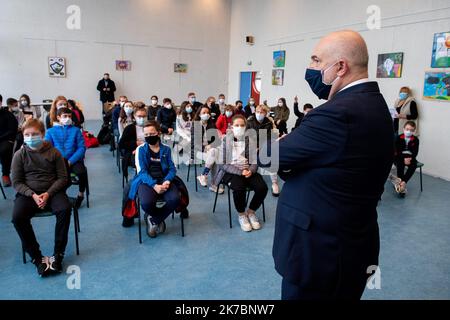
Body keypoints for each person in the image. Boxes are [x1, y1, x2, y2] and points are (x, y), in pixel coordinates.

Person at [270, 30, 394, 300]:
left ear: (340, 67)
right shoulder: (374, 104)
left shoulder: (336, 113)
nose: (311, 68)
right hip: (350, 244)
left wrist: (284, 145)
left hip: (320, 255)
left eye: (316, 60)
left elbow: (271, 155)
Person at [11, 119, 71, 277]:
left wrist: (48, 193)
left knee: (65, 209)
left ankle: (58, 254)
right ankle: (37, 258)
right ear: (23, 136)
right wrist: (32, 195)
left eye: (35, 134)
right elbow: (16, 182)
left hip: (53, 192)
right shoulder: (19, 155)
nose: (31, 137)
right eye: (27, 134)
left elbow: (63, 178)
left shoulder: (54, 152)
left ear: (43, 135)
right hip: (29, 194)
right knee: (17, 217)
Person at [213, 115, 268, 232]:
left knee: (262, 187)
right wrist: (240, 171)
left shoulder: (250, 140)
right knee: (239, 188)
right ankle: (242, 214)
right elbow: (223, 163)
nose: (239, 127)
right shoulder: (225, 140)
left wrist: (251, 171)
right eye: (236, 125)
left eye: (242, 125)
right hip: (230, 171)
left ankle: (251, 212)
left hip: (247, 170)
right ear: (231, 127)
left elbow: (254, 160)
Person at [126, 121, 180, 237]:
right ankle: (156, 217)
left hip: (164, 179)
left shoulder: (166, 149)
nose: (149, 137)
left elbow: (172, 168)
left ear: (158, 133)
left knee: (175, 199)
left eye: (152, 133)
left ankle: (154, 220)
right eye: (146, 135)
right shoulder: (141, 149)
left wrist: (167, 181)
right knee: (146, 203)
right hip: (146, 180)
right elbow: (142, 171)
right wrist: (154, 185)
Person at [45, 108, 87, 208]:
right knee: (58, 179)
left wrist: (71, 161)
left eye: (69, 116)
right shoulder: (50, 131)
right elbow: (48, 148)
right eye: (65, 116)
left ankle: (81, 195)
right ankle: (59, 197)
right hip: (57, 161)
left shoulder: (76, 130)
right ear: (58, 117)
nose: (67, 118)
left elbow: (82, 148)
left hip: (73, 160)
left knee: (81, 172)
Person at [247, 105, 280, 197]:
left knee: (272, 157)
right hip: (250, 147)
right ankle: (249, 178)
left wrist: (261, 147)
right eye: (257, 111)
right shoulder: (250, 122)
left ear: (265, 113)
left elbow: (269, 138)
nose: (259, 114)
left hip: (263, 147)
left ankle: (274, 183)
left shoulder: (268, 123)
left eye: (261, 112)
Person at [194, 106, 223, 194]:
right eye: (204, 113)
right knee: (215, 155)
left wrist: (210, 145)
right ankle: (214, 185)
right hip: (199, 151)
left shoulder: (212, 124)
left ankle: (203, 175)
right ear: (199, 114)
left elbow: (217, 140)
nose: (206, 114)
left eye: (207, 113)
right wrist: (204, 148)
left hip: (210, 150)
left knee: (214, 153)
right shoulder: (195, 125)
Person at [118, 106, 148, 181]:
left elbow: (156, 141)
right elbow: (121, 144)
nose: (142, 118)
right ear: (134, 116)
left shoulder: (150, 127)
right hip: (132, 152)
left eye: (144, 116)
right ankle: (139, 180)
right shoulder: (129, 128)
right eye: (139, 116)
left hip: (148, 150)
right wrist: (135, 144)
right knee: (140, 161)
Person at [393, 121, 419, 197]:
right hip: (399, 156)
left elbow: (415, 152)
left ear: (414, 131)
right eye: (407, 129)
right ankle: (401, 188)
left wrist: (409, 159)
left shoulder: (416, 140)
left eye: (411, 130)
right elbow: (396, 151)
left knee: (413, 165)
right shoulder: (398, 138)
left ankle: (403, 182)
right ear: (404, 128)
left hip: (410, 157)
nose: (409, 131)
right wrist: (404, 159)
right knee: (400, 165)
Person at [0, 102, 18, 187]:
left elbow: (12, 130)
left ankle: (5, 174)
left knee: (5, 149)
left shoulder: (8, 115)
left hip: (5, 139)